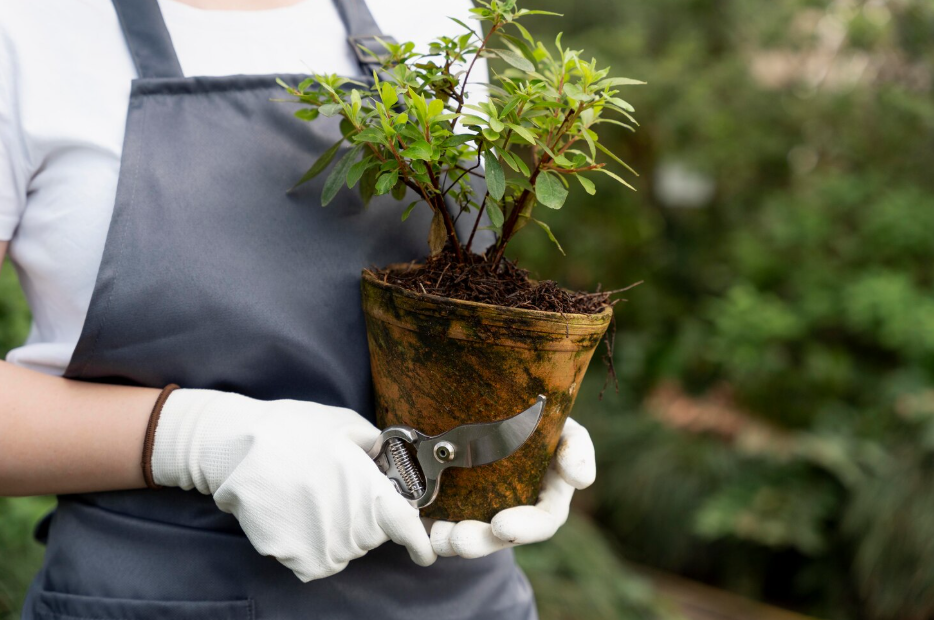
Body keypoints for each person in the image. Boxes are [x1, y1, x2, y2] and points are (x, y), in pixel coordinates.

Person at [0, 1, 597, 618]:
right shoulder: (28, 28)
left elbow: (456, 290)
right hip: (160, 592)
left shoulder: (433, 15)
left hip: (458, 594)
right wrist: (198, 440)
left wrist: (514, 413)